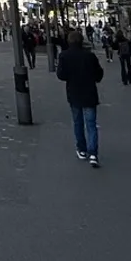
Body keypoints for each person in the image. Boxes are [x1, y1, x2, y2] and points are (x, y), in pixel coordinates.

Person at [56, 29, 105, 167]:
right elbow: (99, 74)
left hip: (74, 93)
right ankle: (93, 153)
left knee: (78, 122)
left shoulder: (64, 56)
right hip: (89, 93)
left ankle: (82, 149)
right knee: (91, 124)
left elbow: (61, 75)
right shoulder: (89, 56)